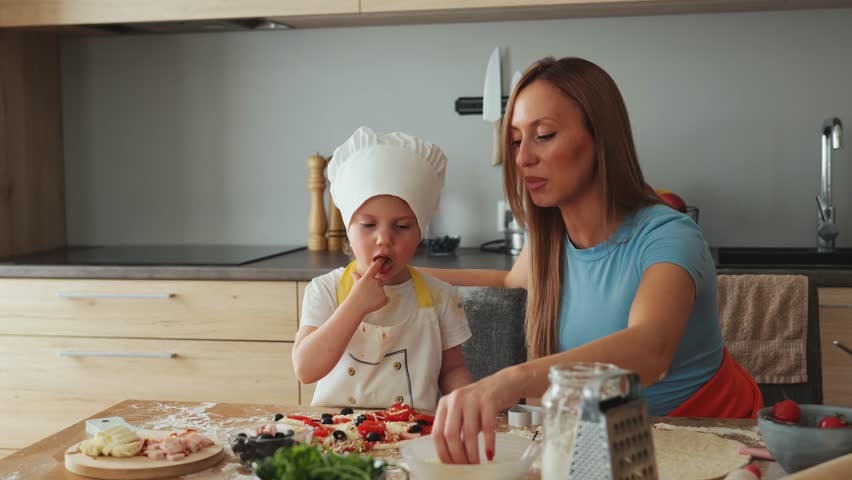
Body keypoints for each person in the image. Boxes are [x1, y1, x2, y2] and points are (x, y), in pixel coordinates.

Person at [423, 57, 763, 465]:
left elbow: (651, 348)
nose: (522, 158)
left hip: (717, 445)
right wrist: (399, 275)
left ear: (600, 139)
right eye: (516, 140)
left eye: (543, 135)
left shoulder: (669, 236)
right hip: (615, 446)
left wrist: (506, 382)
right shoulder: (549, 239)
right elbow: (510, 282)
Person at [292, 126, 473, 412]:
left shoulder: (440, 297)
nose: (384, 239)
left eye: (402, 227)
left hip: (413, 436)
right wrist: (355, 306)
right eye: (368, 225)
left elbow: (452, 369)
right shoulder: (325, 290)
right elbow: (306, 369)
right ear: (348, 229)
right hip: (335, 440)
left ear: (420, 233)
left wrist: (466, 397)